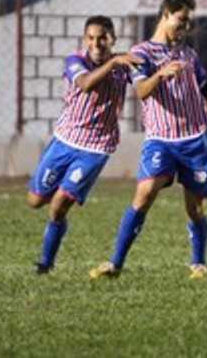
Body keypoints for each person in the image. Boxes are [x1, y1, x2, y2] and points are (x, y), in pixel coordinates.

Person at [90, 0, 207, 280]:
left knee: (194, 207)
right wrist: (161, 74)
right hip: (161, 140)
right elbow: (141, 91)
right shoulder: (141, 54)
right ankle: (115, 264)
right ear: (166, 15)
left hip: (194, 139)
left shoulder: (189, 55)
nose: (185, 28)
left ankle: (199, 263)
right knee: (144, 194)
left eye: (189, 23)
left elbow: (204, 95)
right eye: (181, 21)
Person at [27, 15, 142, 274]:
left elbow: (144, 85)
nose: (97, 43)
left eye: (102, 37)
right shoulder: (76, 61)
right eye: (91, 38)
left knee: (59, 205)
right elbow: (86, 84)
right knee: (35, 201)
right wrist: (114, 61)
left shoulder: (125, 66)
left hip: (96, 148)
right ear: (84, 40)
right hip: (64, 141)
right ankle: (51, 238)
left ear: (112, 38)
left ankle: (45, 263)